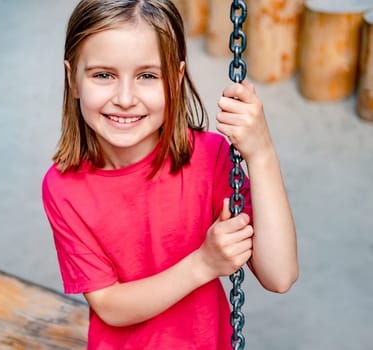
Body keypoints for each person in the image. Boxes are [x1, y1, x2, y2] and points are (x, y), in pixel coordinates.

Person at [41, 0, 299, 349]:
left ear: (175, 80)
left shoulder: (209, 158)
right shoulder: (63, 188)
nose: (125, 98)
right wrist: (204, 264)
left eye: (147, 76)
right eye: (104, 75)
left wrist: (261, 153)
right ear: (72, 79)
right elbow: (110, 306)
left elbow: (280, 275)